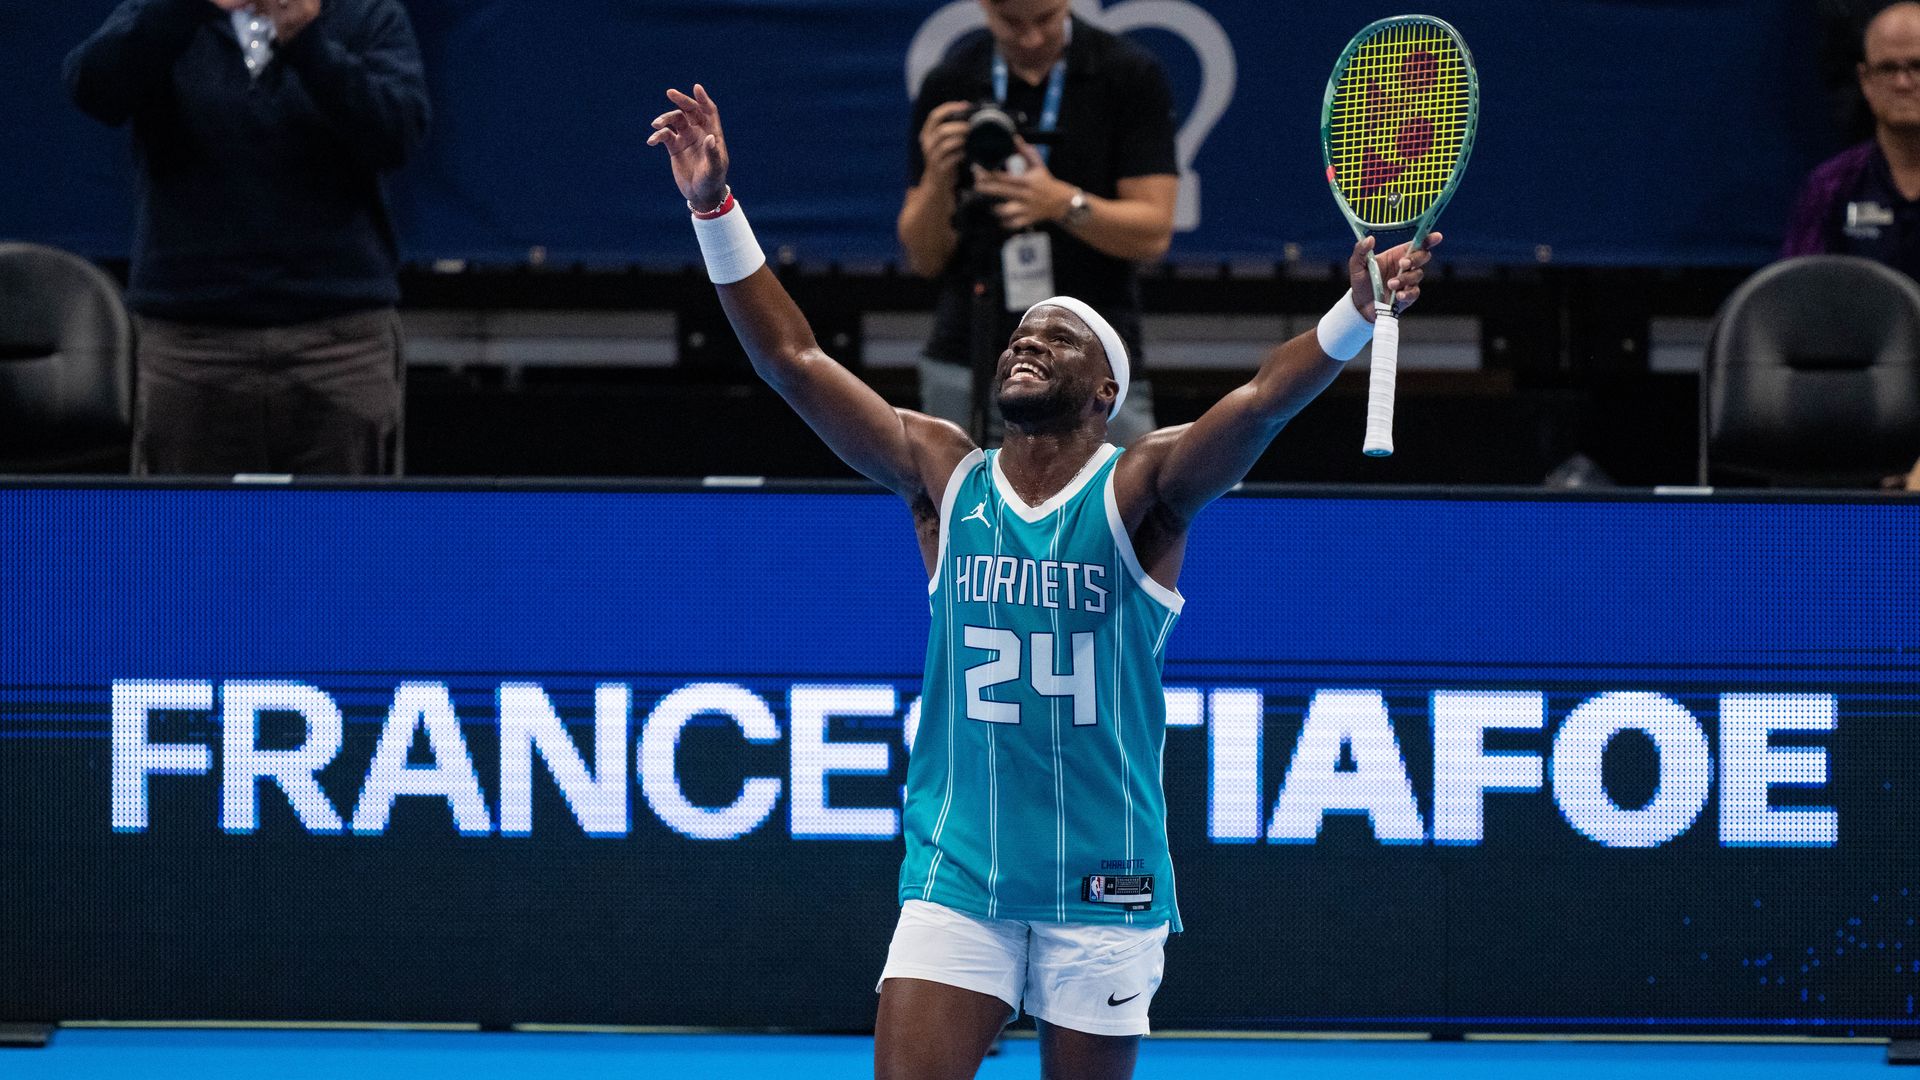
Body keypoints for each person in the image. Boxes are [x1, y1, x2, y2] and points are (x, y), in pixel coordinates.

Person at [650, 84, 1436, 1079]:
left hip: (1102, 891)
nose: (1027, 341)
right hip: (958, 881)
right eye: (1022, 335)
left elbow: (1259, 405)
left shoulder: (1144, 486)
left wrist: (1353, 316)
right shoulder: (944, 474)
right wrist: (716, 207)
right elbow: (795, 360)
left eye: (1058, 338)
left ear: (1105, 394)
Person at [64, 0, 429, 476]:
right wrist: (180, 12)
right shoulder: (163, 13)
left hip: (337, 345)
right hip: (193, 347)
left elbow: (398, 132)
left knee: (344, 542)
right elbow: (94, 90)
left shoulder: (366, 14)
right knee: (188, 542)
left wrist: (309, 43)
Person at [900, 0, 1178, 446]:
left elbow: (1153, 233)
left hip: (1094, 367)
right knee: (956, 515)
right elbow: (923, 257)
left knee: (1118, 513)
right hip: (968, 359)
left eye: (1044, 19)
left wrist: (1061, 203)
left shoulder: (1128, 73)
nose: (1030, 38)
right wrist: (936, 179)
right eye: (1011, 23)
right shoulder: (951, 81)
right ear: (985, 7)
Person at [1782, 1, 1920, 277]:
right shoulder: (1831, 186)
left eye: (1918, 66)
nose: (1903, 83)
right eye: (1888, 69)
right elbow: (1794, 299)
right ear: (1865, 80)